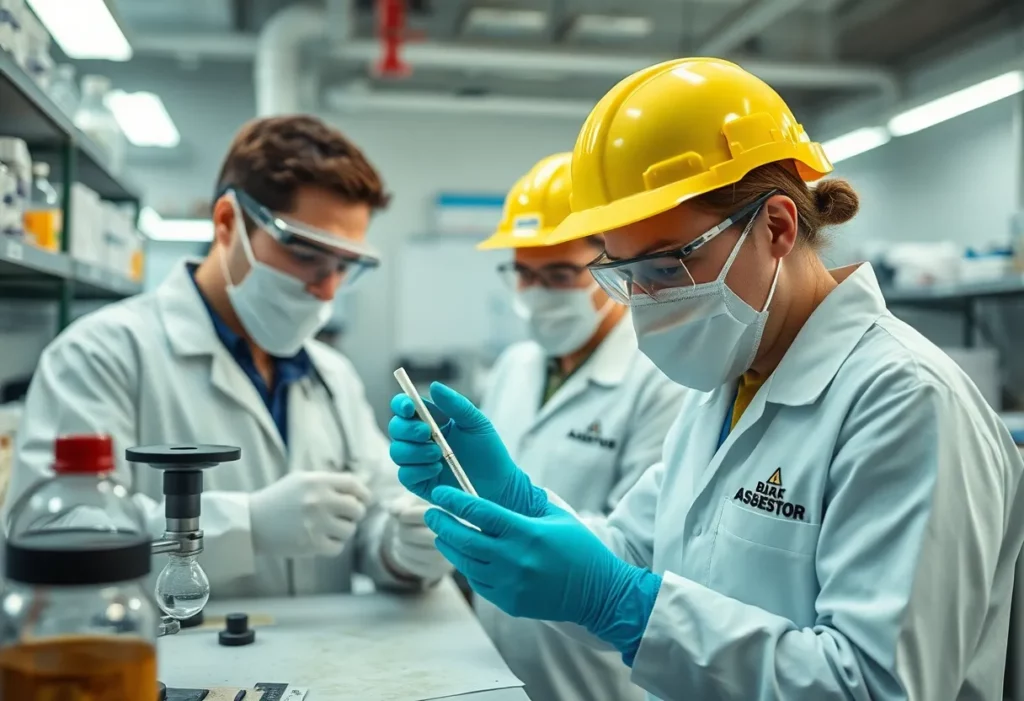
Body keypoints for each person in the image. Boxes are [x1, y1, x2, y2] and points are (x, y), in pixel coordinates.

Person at [388, 58, 1024, 700]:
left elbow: (878, 686)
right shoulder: (729, 384)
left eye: (666, 268)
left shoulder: (906, 400)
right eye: (624, 274)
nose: (644, 302)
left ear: (777, 227)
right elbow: (629, 555)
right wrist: (516, 503)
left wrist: (624, 607)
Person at [6, 115, 451, 598]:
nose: (327, 289)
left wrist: (402, 549)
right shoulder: (100, 355)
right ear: (227, 223)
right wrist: (245, 525)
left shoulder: (332, 375)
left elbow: (375, 513)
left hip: (329, 646)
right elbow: (59, 537)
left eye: (343, 266)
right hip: (175, 646)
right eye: (305, 255)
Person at [474, 153, 685, 701]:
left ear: (612, 266)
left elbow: (642, 547)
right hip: (494, 661)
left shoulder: (662, 378)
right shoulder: (514, 366)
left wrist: (513, 527)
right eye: (523, 274)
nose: (537, 292)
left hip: (596, 675)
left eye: (560, 275)